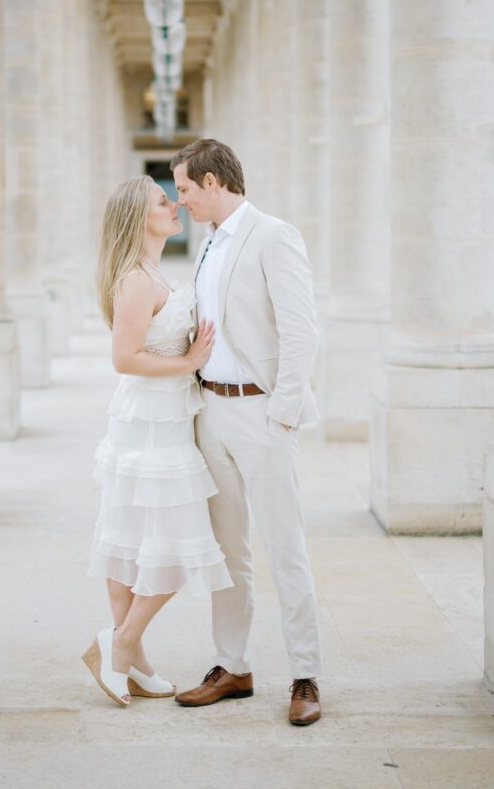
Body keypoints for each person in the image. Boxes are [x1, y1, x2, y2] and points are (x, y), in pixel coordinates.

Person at [171, 139, 323, 727]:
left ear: (212, 182)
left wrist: (281, 414)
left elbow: (300, 331)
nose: (179, 200)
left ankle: (305, 674)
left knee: (285, 547)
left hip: (262, 414)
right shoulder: (207, 245)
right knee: (226, 550)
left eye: (184, 188)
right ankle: (231, 665)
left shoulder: (273, 235)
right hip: (211, 412)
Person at [82, 175, 233, 707]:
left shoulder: (151, 271)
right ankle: (120, 646)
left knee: (131, 540)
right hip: (149, 421)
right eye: (162, 201)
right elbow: (124, 359)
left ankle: (134, 659)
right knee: (172, 544)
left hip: (162, 416)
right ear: (137, 218)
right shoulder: (135, 280)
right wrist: (189, 361)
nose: (174, 205)